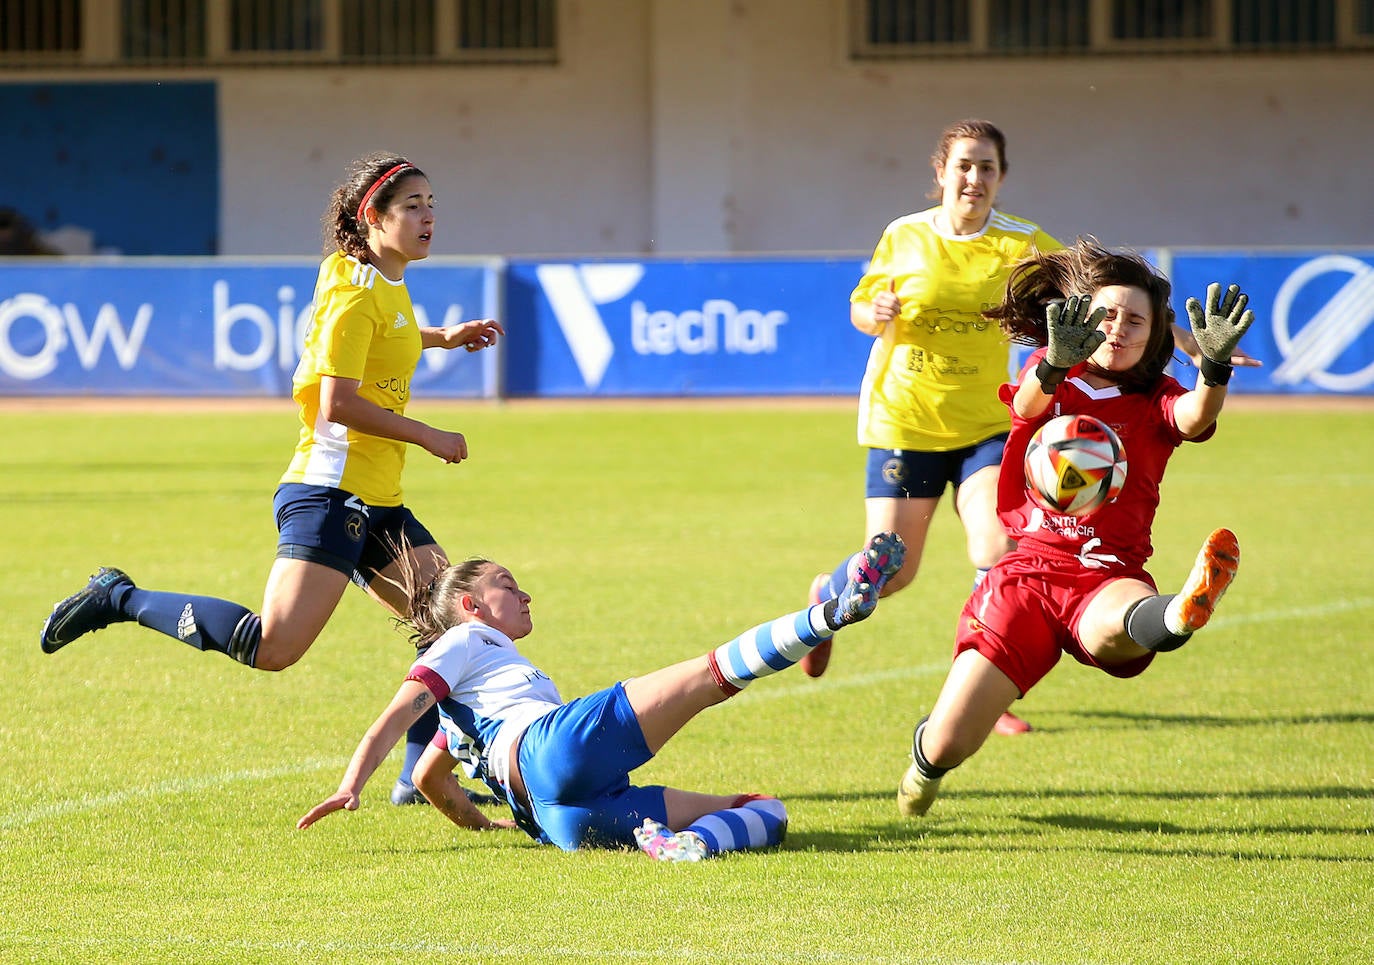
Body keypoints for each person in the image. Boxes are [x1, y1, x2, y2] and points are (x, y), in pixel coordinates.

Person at [38, 152, 504, 804]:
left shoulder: (382, 284)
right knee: (272, 646)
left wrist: (444, 337)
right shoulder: (351, 295)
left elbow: (389, 331)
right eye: (413, 206)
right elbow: (336, 401)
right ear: (373, 217)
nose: (429, 216)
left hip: (378, 497)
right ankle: (118, 596)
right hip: (328, 492)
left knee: (450, 626)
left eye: (431, 203)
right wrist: (427, 434)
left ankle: (413, 778)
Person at [806, 119, 1259, 740]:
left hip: (993, 423)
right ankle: (821, 607)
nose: (975, 177)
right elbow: (862, 303)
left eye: (987, 167)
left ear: (1001, 177)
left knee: (997, 548)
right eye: (964, 165)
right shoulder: (904, 235)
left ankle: (986, 679)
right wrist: (872, 312)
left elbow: (1103, 288)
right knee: (893, 570)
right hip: (905, 418)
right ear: (941, 172)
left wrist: (1178, 337)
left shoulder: (1021, 240)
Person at [896, 238, 1252, 818]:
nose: (1119, 329)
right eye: (1107, 314)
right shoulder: (1053, 373)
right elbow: (1028, 409)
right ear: (1083, 316)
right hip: (1028, 573)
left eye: (1135, 320)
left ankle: (1178, 613)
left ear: (1155, 333)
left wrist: (1213, 370)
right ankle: (925, 764)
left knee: (1125, 623)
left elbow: (1194, 417)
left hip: (1107, 572)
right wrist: (1058, 361)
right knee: (946, 744)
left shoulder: (1158, 396)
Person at [297, 532, 908, 861]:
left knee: (765, 809)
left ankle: (691, 847)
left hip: (564, 821)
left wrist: (484, 827)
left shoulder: (470, 708)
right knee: (710, 674)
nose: (525, 595)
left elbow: (433, 781)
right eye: (508, 586)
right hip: (550, 751)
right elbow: (397, 711)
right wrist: (354, 781)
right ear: (471, 606)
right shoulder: (466, 641)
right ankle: (833, 612)